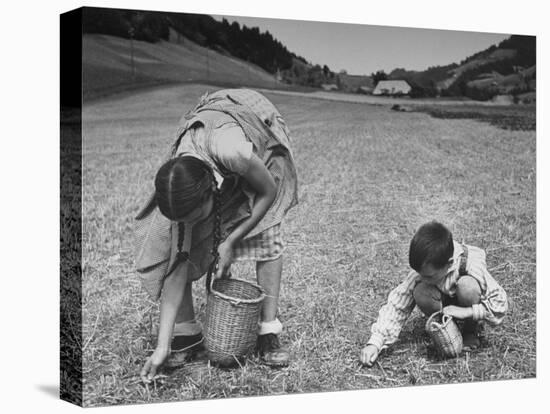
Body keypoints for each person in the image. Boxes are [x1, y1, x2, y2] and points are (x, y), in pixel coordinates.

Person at [134, 89, 298, 382]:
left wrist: (231, 240)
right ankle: (187, 334)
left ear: (213, 191)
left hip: (257, 133)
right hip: (216, 154)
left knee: (266, 237)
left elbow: (268, 191)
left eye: (197, 217)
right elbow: (175, 271)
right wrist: (161, 347)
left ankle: (268, 331)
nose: (192, 224)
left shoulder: (234, 151)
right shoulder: (180, 184)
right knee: (175, 250)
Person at [360, 221, 508, 367]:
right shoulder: (425, 269)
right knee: (420, 291)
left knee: (468, 287)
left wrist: (466, 312)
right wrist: (375, 343)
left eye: (429, 276)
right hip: (444, 304)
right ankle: (448, 327)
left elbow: (500, 303)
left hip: (467, 303)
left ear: (449, 264)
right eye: (420, 274)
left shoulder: (470, 263)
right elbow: (397, 305)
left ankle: (470, 331)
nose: (423, 278)